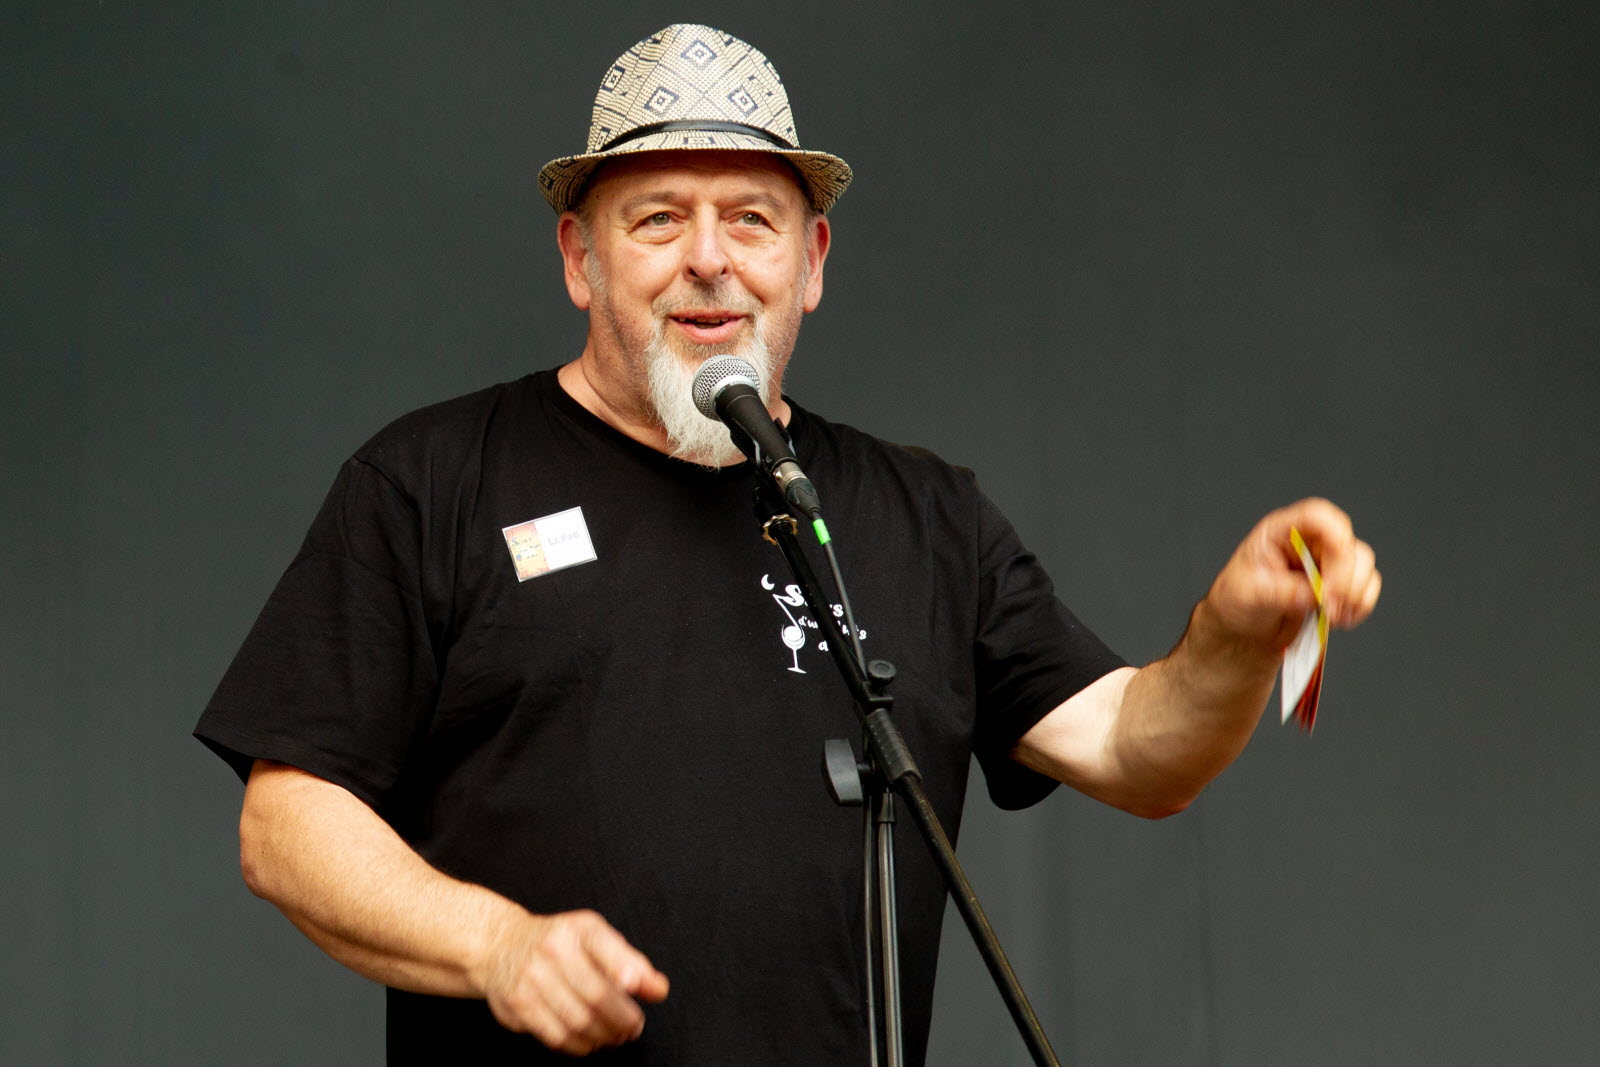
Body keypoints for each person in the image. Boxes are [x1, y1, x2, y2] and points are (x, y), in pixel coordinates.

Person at [196, 23, 1381, 1065]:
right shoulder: (432, 480)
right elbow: (287, 819)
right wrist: (498, 943)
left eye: (750, 220)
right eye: (657, 218)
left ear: (808, 264)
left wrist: (1231, 638)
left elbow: (1137, 751)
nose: (708, 257)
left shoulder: (922, 514)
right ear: (578, 257)